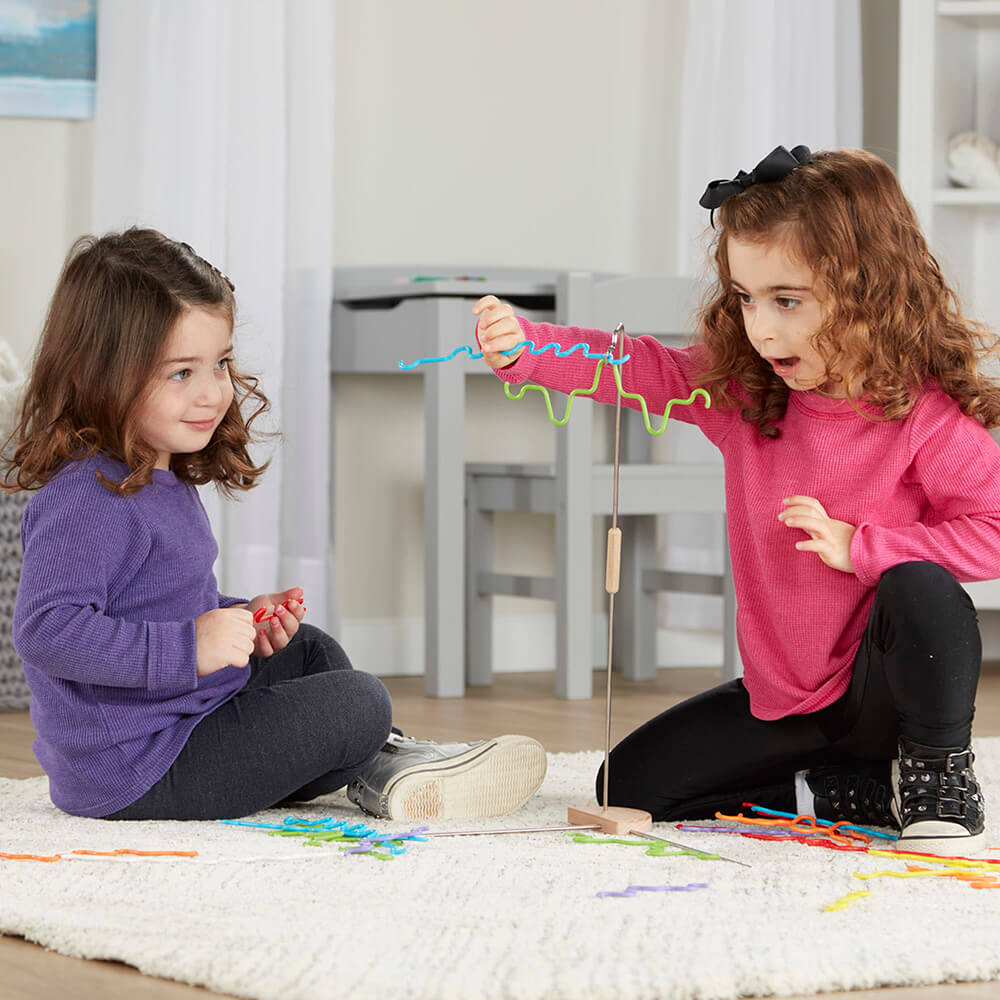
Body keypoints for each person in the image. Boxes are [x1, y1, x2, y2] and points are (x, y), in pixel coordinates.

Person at [473, 146, 1000, 854]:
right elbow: (648, 368)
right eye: (747, 299)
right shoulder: (746, 395)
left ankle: (938, 778)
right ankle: (846, 788)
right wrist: (528, 349)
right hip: (787, 696)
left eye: (787, 301)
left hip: (884, 694)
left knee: (921, 586)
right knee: (623, 786)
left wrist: (865, 546)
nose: (761, 327)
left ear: (869, 292)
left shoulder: (924, 418)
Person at [6, 227, 546, 823]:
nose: (213, 392)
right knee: (359, 701)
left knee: (312, 652)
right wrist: (192, 647)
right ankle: (382, 762)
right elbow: (48, 631)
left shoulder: (158, 474)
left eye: (220, 364)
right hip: (140, 766)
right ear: (95, 372)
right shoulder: (87, 496)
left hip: (181, 718)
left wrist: (238, 618)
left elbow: (153, 599)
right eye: (181, 372)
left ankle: (379, 760)